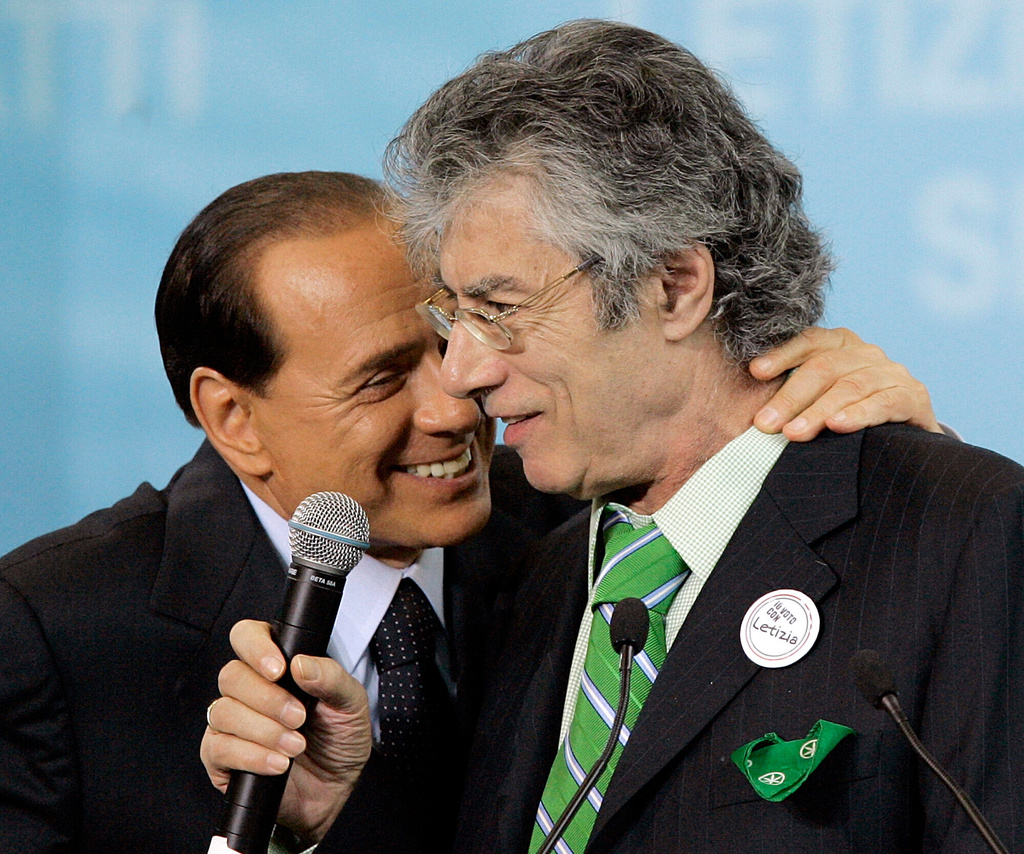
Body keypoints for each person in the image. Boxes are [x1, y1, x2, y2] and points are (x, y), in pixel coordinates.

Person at [207, 21, 1024, 854]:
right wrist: (325, 823)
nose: (459, 375)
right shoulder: (538, 569)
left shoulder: (965, 538)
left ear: (674, 287)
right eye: (452, 315)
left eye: (500, 310)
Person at [0, 169, 925, 854]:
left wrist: (891, 453)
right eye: (378, 381)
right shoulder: (59, 629)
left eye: (452, 339)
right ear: (234, 418)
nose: (455, 401)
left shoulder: (585, 528)